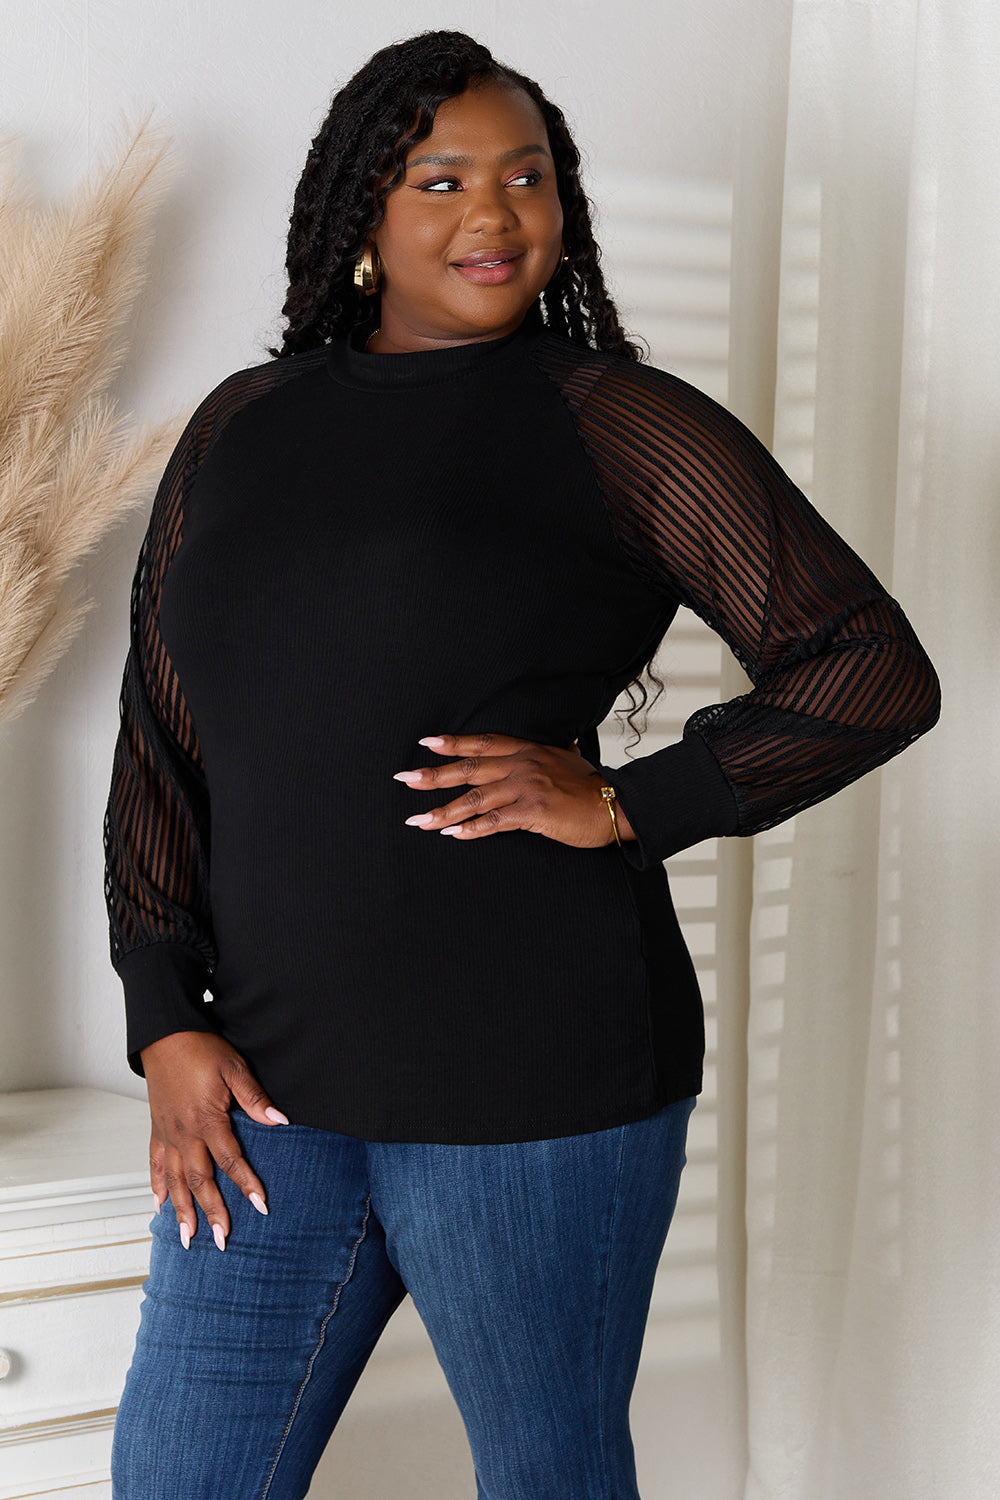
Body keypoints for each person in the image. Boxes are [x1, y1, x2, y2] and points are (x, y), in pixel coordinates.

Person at [103, 29, 940, 1500]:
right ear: (362, 211)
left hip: (536, 1083)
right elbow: (165, 746)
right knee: (180, 1479)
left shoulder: (614, 421)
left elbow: (867, 665)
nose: (494, 217)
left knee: (548, 1478)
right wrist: (168, 1021)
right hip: (266, 1092)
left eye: (526, 177)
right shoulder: (240, 427)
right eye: (440, 180)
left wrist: (631, 797)